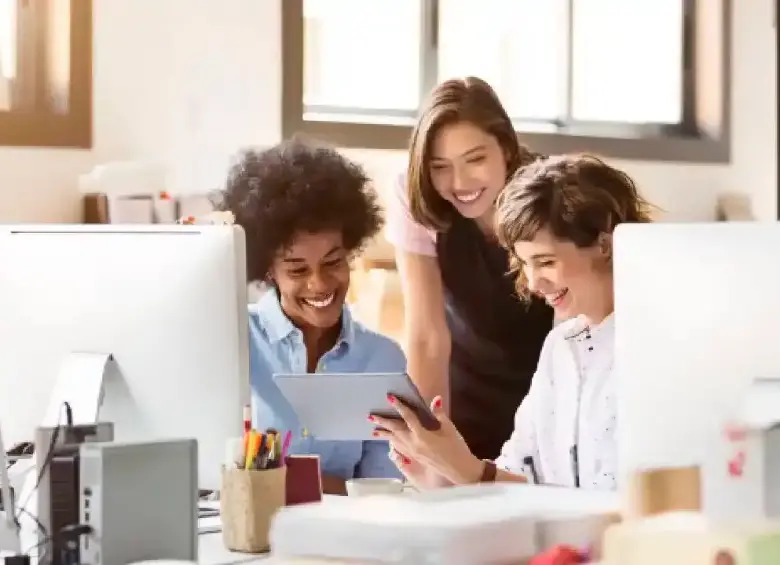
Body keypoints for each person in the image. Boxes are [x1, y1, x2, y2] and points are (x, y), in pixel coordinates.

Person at [372, 153, 654, 490]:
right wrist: (444, 472)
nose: (533, 283)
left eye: (546, 261)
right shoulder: (561, 346)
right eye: (525, 264)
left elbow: (613, 504)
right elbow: (523, 479)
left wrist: (468, 470)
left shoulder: (652, 348)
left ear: (604, 246)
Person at [215, 139, 406, 494]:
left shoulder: (382, 359)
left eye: (333, 262)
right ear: (269, 269)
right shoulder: (232, 338)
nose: (319, 284)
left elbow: (383, 489)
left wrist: (281, 481)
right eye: (297, 269)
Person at [385, 77, 554, 460]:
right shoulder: (415, 200)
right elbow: (427, 337)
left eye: (475, 159)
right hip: (465, 398)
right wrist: (427, 443)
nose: (459, 183)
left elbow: (571, 332)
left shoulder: (550, 195)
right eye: (439, 166)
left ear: (507, 150)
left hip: (546, 393)